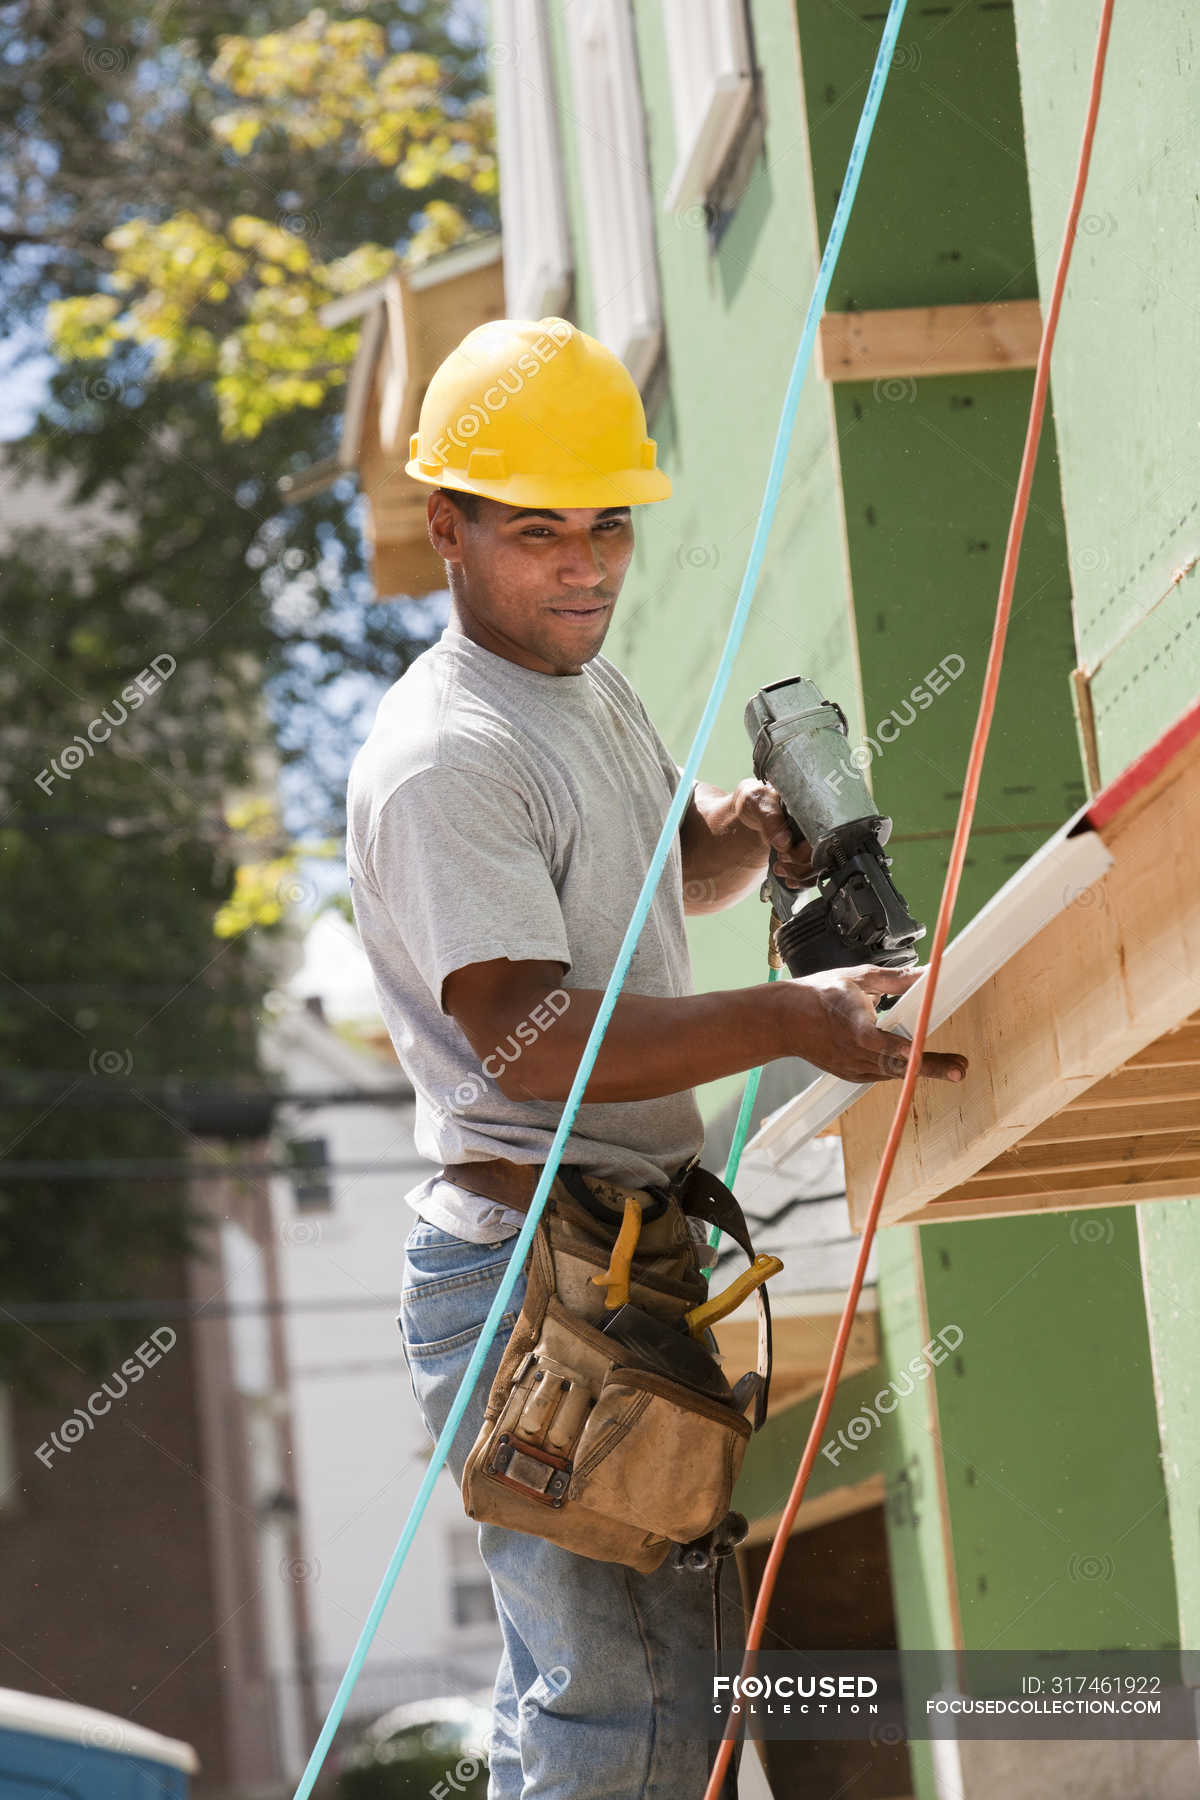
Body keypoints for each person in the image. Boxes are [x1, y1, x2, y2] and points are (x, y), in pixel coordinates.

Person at [345, 317, 967, 1800]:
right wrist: (789, 1020)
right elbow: (534, 1035)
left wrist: (739, 834)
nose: (586, 563)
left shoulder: (578, 688)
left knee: (658, 1701)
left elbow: (641, 876)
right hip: (530, 1270)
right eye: (539, 528)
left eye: (606, 522)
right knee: (609, 1709)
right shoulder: (448, 752)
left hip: (617, 1255)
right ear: (448, 526)